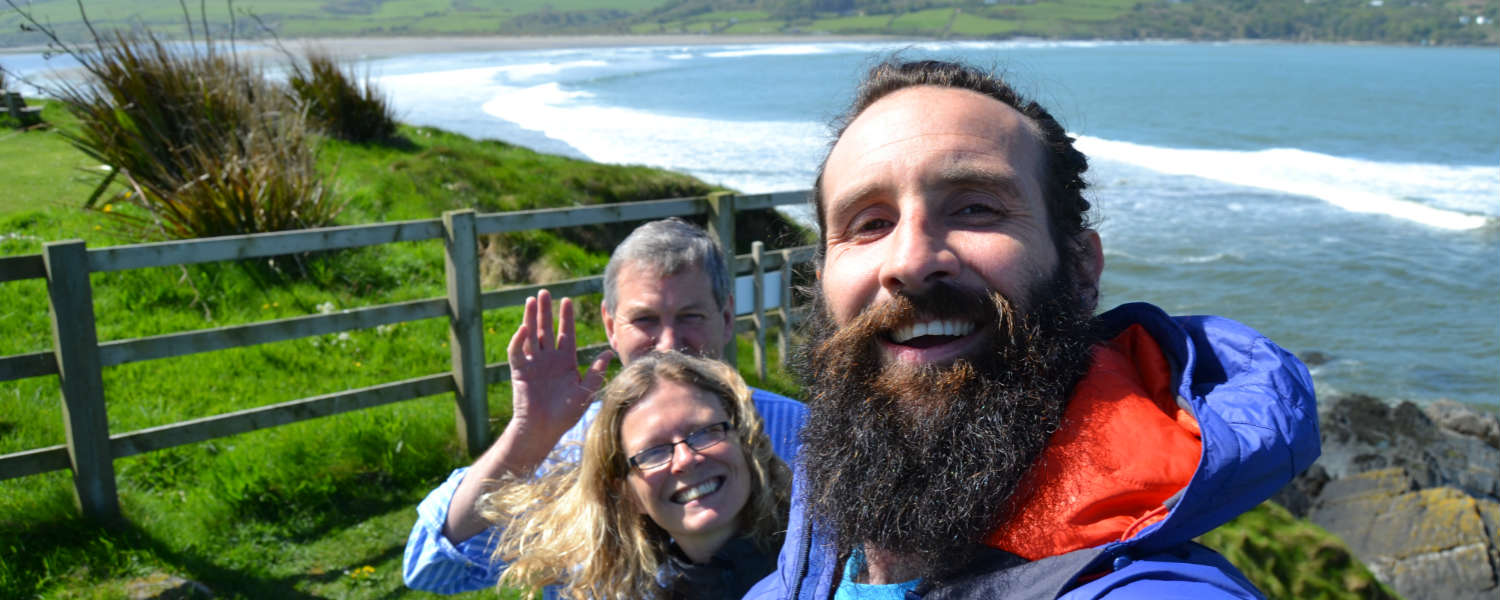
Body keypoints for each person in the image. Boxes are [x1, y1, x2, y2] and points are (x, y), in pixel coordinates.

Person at [745, 60, 1320, 599]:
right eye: (870, 224)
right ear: (821, 284)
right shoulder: (797, 570)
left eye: (975, 209)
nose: (911, 260)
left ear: (1081, 269)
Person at [403, 218, 808, 594]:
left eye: (690, 315)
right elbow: (433, 567)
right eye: (645, 320)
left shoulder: (799, 429)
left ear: (725, 317)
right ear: (611, 326)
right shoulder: (563, 444)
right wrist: (529, 435)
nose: (668, 342)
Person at [479, 351, 791, 599]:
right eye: (654, 452)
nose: (685, 459)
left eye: (705, 432)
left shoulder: (827, 563)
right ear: (627, 494)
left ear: (746, 445)